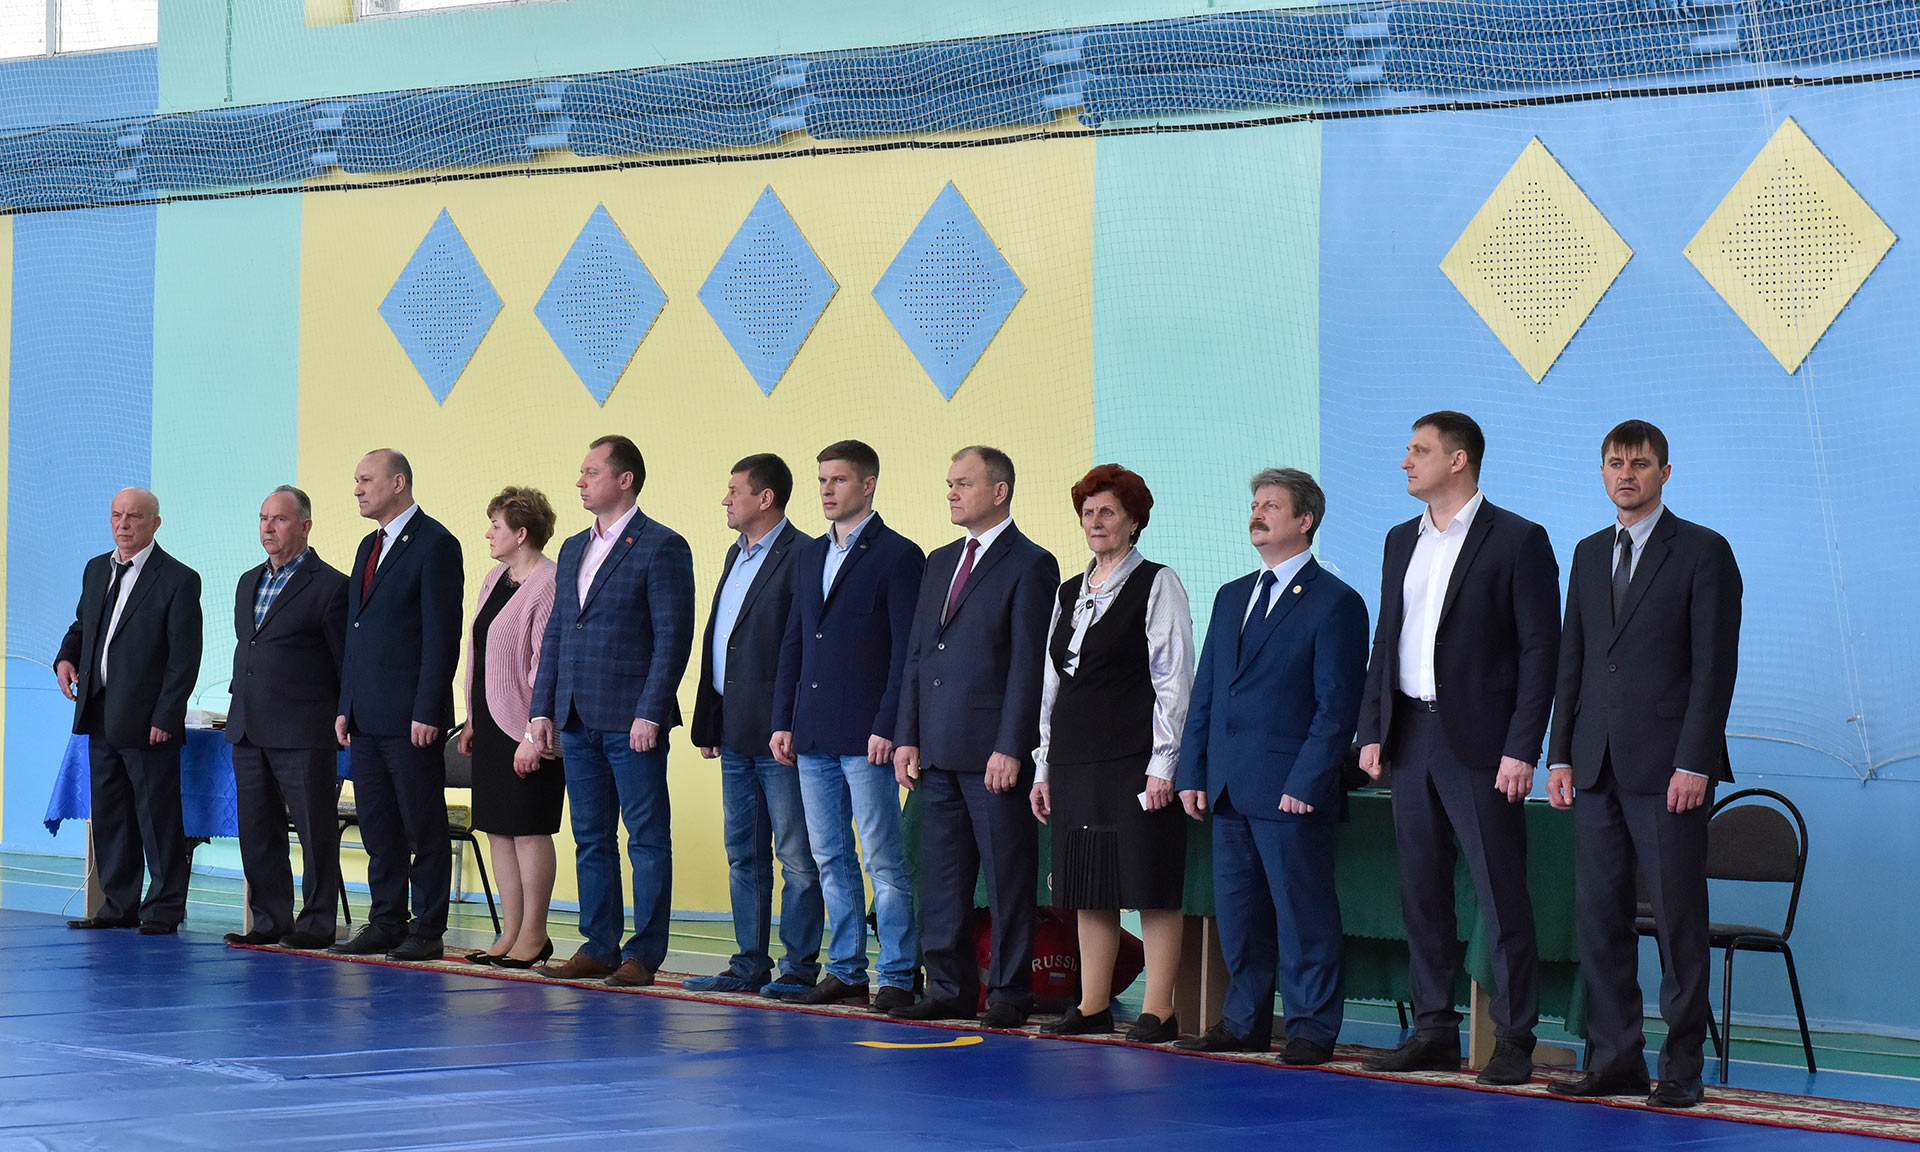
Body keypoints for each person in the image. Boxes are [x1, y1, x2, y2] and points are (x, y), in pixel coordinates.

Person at [1355, 412, 1560, 1086]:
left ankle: (1515, 1039)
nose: (1405, 461)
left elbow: (1540, 652)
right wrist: (1372, 728)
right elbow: (1387, 639)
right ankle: (1434, 1031)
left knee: (1500, 896)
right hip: (1410, 735)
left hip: (1482, 743)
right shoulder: (1399, 539)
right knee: (1421, 892)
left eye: (1419, 450)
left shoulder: (1519, 539)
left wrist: (1522, 747)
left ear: (1458, 460)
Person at [1546, 421, 1741, 1109]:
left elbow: (1714, 668)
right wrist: (1559, 753)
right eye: (1614, 463)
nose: (1625, 474)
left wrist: (1695, 761)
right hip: (1593, 764)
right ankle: (1615, 1060)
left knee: (1679, 921)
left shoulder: (1704, 551)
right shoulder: (1587, 552)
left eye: (1639, 463)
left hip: (1670, 770)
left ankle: (1681, 1069)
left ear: (1664, 472)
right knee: (1600, 919)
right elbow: (1573, 658)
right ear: (1602, 472)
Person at [1174, 468, 1368, 1064]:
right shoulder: (1232, 595)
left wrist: (1309, 779)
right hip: (1229, 786)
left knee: (1303, 915)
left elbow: (1337, 707)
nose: (1256, 514)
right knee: (1240, 916)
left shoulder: (1336, 602)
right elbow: (1207, 691)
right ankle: (1244, 1021)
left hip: (1291, 789)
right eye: (1255, 504)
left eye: (1272, 506)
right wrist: (1192, 772)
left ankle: (1310, 1027)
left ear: (1305, 520)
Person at [891, 446, 1059, 1028]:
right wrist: (907, 735)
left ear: (999, 490)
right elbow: (918, 654)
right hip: (937, 750)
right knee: (942, 879)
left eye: (963, 483)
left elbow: (1029, 666)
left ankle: (1010, 992)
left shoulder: (1032, 563)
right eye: (950, 483)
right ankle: (949, 988)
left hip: (993, 754)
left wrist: (1012, 745)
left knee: (1008, 877)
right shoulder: (940, 561)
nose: (952, 493)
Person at [1030, 464, 1194, 1042]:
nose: (1095, 522)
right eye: (1088, 512)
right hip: (1074, 758)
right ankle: (1093, 1004)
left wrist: (1163, 764)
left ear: (1133, 521)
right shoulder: (1068, 592)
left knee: (1150, 883)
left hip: (1135, 760)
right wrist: (1043, 765)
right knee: (1085, 885)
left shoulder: (1157, 583)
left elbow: (1174, 680)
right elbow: (1051, 686)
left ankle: (1159, 1011)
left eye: (1107, 512)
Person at [530, 435, 694, 988]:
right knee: (591, 838)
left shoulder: (662, 545)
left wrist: (652, 711)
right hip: (576, 716)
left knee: (646, 838)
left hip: (632, 720)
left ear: (625, 480)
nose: (580, 481)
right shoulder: (573, 547)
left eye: (591, 472)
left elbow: (672, 637)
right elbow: (558, 632)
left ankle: (643, 954)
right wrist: (542, 709)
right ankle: (599, 945)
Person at [771, 440, 926, 1011]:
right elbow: (795, 640)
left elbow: (906, 652)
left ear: (868, 485)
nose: (827, 490)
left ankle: (899, 973)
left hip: (868, 738)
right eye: (821, 480)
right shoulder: (810, 554)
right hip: (812, 734)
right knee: (829, 857)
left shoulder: (899, 555)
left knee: (882, 859)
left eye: (838, 479)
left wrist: (890, 724)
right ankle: (845, 969)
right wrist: (784, 719)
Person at [687, 454, 823, 997]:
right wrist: (710, 720)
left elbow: (804, 650)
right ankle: (748, 964)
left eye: (734, 490)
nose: (725, 499)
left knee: (796, 857)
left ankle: (799, 968)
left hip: (778, 735)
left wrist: (788, 721)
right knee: (743, 852)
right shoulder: (734, 554)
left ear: (765, 498)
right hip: (735, 731)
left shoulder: (805, 554)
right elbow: (723, 639)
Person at [331, 449, 465, 962]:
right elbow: (355, 633)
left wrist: (428, 711)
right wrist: (345, 704)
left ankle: (427, 929)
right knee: (378, 825)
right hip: (366, 716)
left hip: (411, 718)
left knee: (421, 825)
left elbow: (441, 637)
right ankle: (386, 920)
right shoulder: (369, 545)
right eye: (356, 480)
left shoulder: (436, 544)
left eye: (366, 480)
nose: (358, 489)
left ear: (398, 483)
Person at [55, 487, 203, 934]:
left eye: (134, 517)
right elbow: (83, 625)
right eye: (117, 515)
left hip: (148, 721)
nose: (123, 525)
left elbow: (184, 658)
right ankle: (119, 905)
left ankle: (163, 909)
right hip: (99, 712)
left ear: (155, 523)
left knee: (157, 819)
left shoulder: (178, 579)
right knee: (111, 815)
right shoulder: (96, 569)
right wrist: (66, 657)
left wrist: (166, 715)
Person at [225, 485, 349, 950]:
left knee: (315, 832)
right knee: (258, 831)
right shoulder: (247, 581)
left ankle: (316, 924)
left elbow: (344, 663)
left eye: (279, 519)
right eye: (263, 518)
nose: (268, 528)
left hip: (304, 730)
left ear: (305, 526)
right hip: (248, 726)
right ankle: (270, 920)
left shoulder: (332, 586)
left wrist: (343, 716)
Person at [457, 487, 564, 969]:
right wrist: (472, 719)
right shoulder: (495, 577)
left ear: (521, 533)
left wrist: (530, 735)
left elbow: (546, 667)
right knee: (498, 830)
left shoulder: (548, 583)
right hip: (490, 725)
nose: (488, 533)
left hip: (527, 730)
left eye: (496, 525)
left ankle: (534, 935)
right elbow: (482, 654)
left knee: (528, 830)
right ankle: (510, 931)